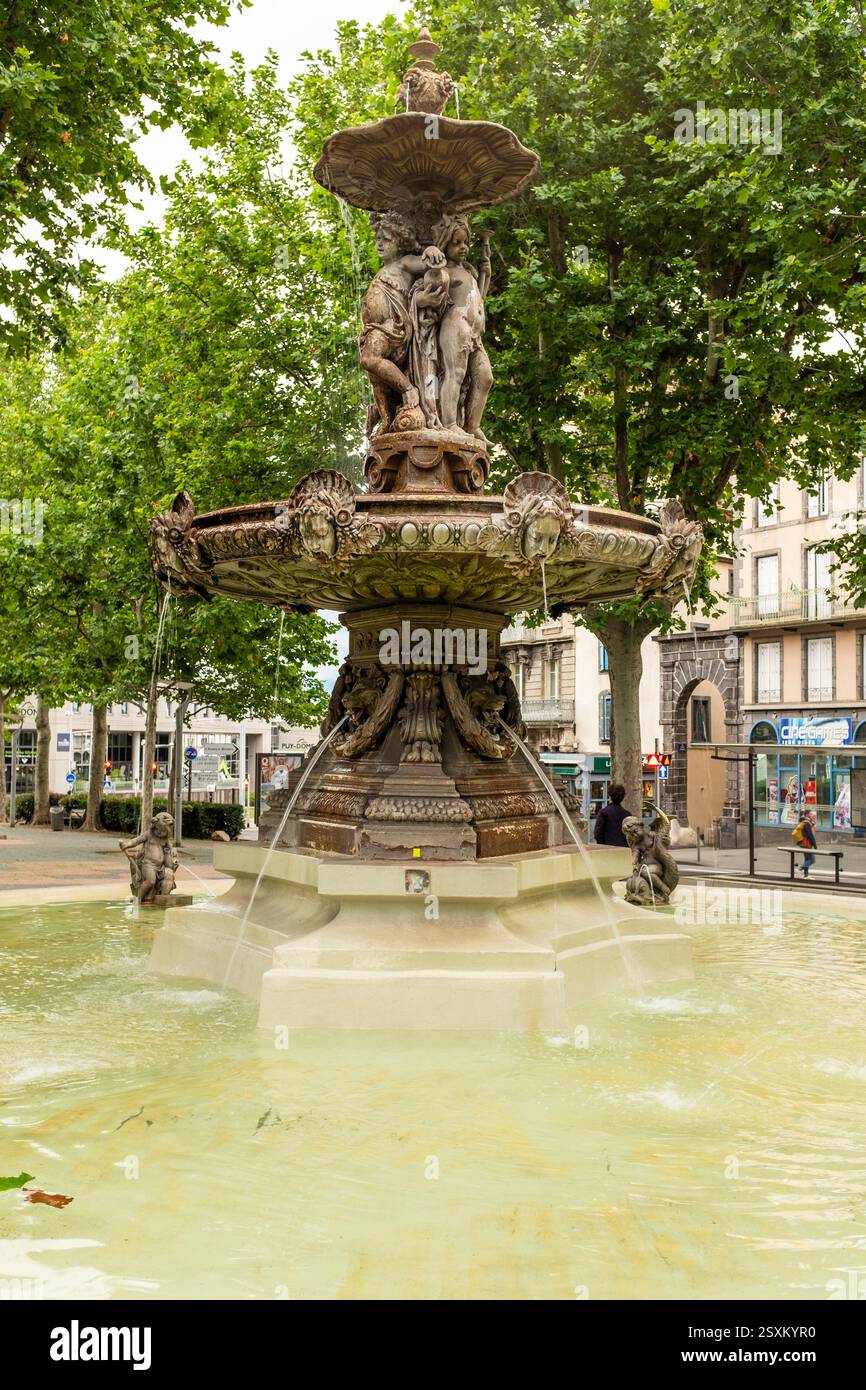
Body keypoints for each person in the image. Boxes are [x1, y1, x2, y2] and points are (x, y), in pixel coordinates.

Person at [795, 809, 818, 878]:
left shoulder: (806, 822)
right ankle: (800, 868)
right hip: (807, 844)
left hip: (804, 843)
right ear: (807, 815)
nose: (812, 815)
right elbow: (810, 835)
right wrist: (815, 844)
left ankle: (806, 875)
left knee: (807, 859)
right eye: (811, 814)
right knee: (812, 860)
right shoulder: (807, 823)